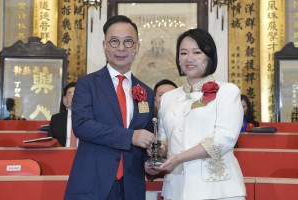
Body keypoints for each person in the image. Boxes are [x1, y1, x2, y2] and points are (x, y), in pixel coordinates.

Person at [64, 15, 157, 200]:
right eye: (114, 41)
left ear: (137, 47)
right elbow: (82, 126)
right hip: (93, 184)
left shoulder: (146, 91)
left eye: (128, 42)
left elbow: (144, 136)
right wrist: (130, 136)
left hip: (131, 187)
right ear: (105, 45)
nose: (121, 48)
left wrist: (150, 159)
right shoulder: (87, 84)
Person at [156, 28, 246, 199]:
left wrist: (179, 158)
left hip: (218, 190)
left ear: (209, 56)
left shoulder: (226, 91)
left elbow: (223, 139)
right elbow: (164, 141)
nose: (189, 58)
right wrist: (157, 152)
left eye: (197, 52)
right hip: (176, 190)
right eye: (183, 53)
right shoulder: (168, 97)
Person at [47, 82, 76, 147]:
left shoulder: (91, 117)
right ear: (65, 99)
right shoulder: (56, 119)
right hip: (62, 155)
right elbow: (50, 142)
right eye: (69, 94)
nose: (73, 96)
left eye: (76, 93)